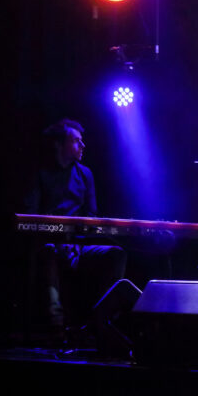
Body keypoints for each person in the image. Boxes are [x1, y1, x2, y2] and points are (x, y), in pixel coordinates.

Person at [24, 119, 126, 342]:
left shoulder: (85, 174)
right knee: (49, 251)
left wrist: (78, 242)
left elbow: (92, 216)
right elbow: (30, 216)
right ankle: (56, 326)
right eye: (76, 141)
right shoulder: (40, 173)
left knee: (115, 254)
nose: (83, 145)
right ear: (59, 144)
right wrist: (57, 236)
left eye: (82, 141)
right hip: (49, 243)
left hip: (77, 245)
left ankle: (104, 320)